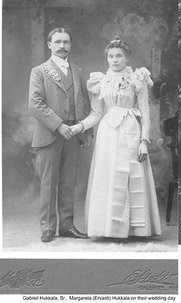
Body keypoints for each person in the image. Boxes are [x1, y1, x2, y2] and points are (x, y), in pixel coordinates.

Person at [69, 36, 162, 238]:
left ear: (127, 57)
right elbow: (96, 113)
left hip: (131, 131)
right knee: (108, 178)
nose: (114, 59)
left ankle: (134, 229)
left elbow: (145, 112)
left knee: (131, 174)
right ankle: (109, 229)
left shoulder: (138, 78)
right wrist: (79, 127)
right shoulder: (100, 81)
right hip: (108, 134)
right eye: (111, 56)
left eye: (119, 55)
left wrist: (144, 142)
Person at [28, 27, 92, 242]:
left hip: (73, 133)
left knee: (68, 181)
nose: (62, 46)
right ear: (49, 45)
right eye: (58, 42)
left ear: (70, 45)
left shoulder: (76, 70)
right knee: (49, 182)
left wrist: (85, 130)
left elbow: (83, 102)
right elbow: (35, 105)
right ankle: (48, 227)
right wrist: (58, 125)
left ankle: (66, 225)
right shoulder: (40, 71)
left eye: (66, 42)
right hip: (50, 134)